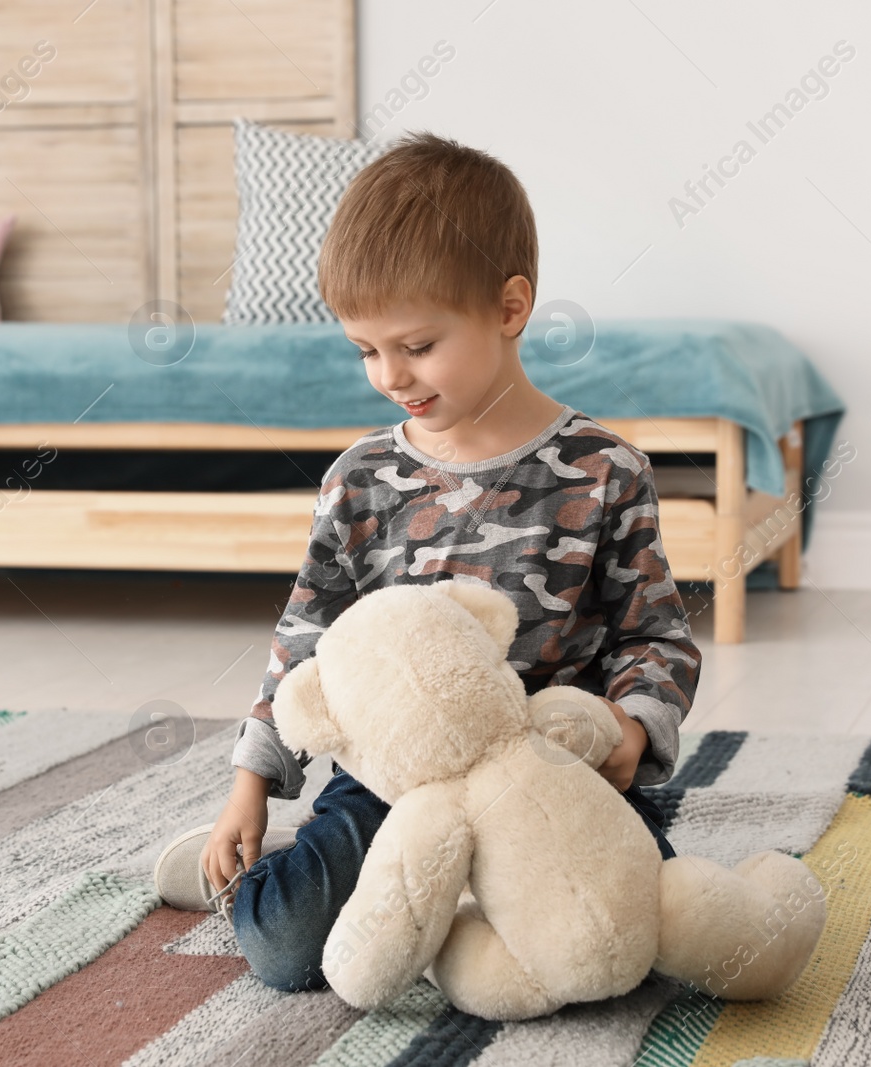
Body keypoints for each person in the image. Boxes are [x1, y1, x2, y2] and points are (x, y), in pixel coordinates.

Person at [151, 131, 702, 993]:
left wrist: (631, 730)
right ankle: (255, 887)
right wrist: (250, 787)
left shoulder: (607, 471)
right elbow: (306, 639)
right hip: (392, 778)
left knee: (625, 942)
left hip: (556, 772)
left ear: (510, 306)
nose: (389, 375)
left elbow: (656, 637)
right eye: (366, 350)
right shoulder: (360, 480)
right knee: (288, 951)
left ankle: (459, 916)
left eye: (415, 345)